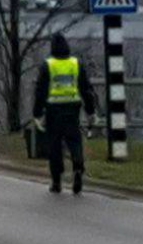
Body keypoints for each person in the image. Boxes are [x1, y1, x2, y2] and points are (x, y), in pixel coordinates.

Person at [33, 33, 97, 194]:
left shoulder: (48, 65)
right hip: (72, 108)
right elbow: (86, 89)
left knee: (55, 145)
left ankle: (56, 181)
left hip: (53, 110)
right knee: (74, 140)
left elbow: (40, 91)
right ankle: (77, 167)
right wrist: (90, 111)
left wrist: (37, 113)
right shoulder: (75, 64)